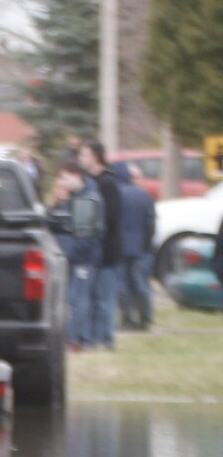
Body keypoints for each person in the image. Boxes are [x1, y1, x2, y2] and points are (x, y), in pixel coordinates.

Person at [51, 160, 104, 350]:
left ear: (76, 176)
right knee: (77, 300)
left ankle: (76, 339)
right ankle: (80, 338)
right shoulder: (80, 197)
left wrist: (68, 255)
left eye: (64, 178)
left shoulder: (85, 201)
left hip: (81, 261)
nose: (62, 182)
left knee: (78, 300)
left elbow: (85, 237)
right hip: (78, 259)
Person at [81, 141, 125, 350]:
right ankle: (91, 337)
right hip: (93, 251)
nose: (81, 159)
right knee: (91, 297)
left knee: (104, 298)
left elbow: (113, 216)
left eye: (84, 155)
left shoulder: (107, 182)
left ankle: (105, 339)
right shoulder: (88, 182)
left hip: (107, 250)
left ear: (95, 157)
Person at [112, 161, 156, 331]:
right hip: (140, 246)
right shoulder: (144, 195)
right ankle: (145, 317)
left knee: (122, 284)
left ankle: (127, 318)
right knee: (140, 283)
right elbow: (150, 223)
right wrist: (146, 243)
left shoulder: (116, 194)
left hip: (121, 246)